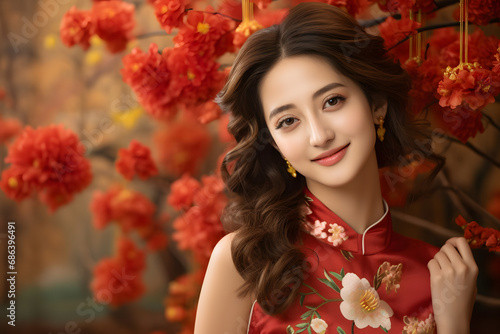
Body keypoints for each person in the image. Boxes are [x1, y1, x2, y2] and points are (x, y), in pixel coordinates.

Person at [194, 2, 478, 334]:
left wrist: (455, 325)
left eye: (332, 101)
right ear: (273, 143)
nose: (319, 135)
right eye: (288, 121)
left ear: (376, 105)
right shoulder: (247, 262)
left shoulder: (437, 277)